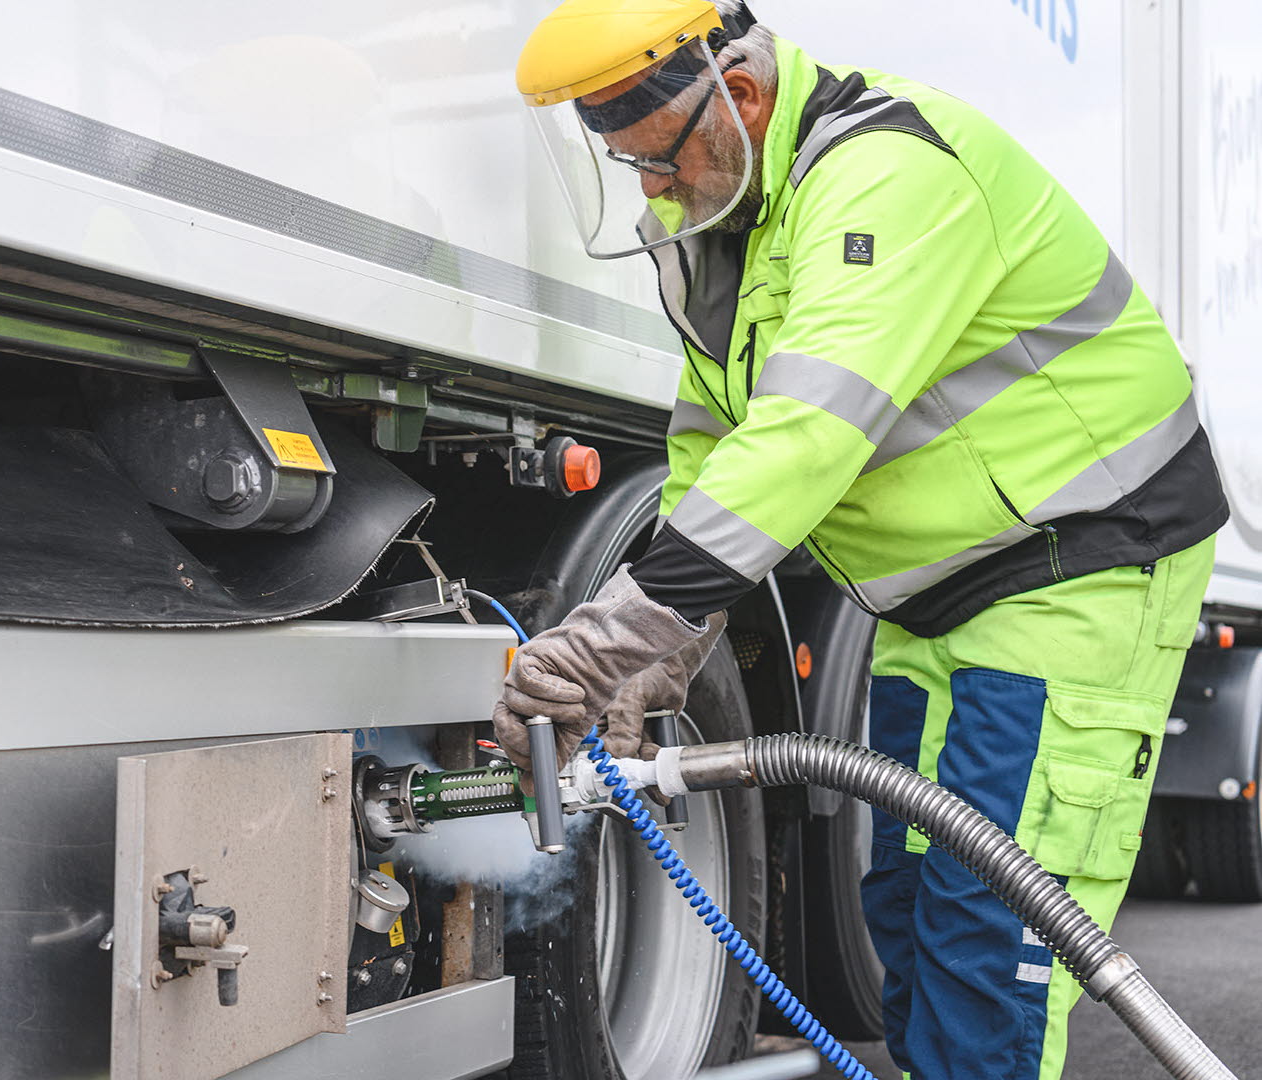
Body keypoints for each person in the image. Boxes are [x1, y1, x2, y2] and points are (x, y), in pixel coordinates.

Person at [492, 2, 1230, 1077]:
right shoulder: (722, 224)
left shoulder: (887, 173)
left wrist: (593, 645)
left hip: (1076, 566)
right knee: (904, 903)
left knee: (986, 933)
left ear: (736, 99)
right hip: (933, 593)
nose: (648, 190)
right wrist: (660, 653)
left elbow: (804, 440)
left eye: (655, 161)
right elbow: (712, 447)